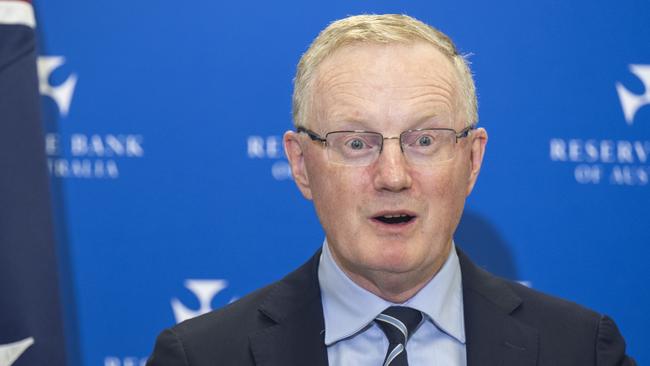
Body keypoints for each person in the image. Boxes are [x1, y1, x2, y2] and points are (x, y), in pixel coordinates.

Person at [147, 14, 634, 366]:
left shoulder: (582, 349)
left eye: (424, 140)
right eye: (356, 143)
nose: (393, 175)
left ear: (471, 159)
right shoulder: (201, 356)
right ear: (301, 164)